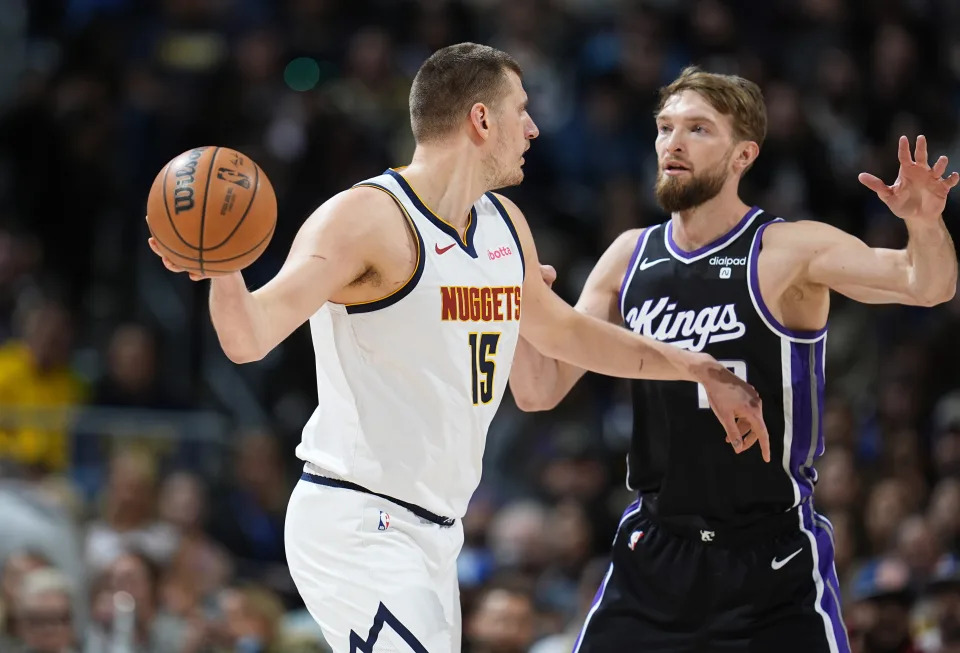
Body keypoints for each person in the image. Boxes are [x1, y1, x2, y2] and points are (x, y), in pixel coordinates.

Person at [147, 44, 768, 652]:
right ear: (480, 119)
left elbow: (565, 335)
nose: (532, 127)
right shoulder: (367, 218)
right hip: (358, 521)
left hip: (440, 533)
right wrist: (223, 268)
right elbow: (249, 338)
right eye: (520, 109)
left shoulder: (503, 224)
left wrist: (693, 367)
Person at [509, 66, 958, 652]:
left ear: (744, 154)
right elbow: (539, 389)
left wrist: (924, 226)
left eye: (698, 129)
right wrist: (513, 304)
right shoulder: (628, 257)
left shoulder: (786, 249)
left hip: (769, 557)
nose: (673, 142)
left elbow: (926, 285)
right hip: (656, 552)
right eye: (665, 127)